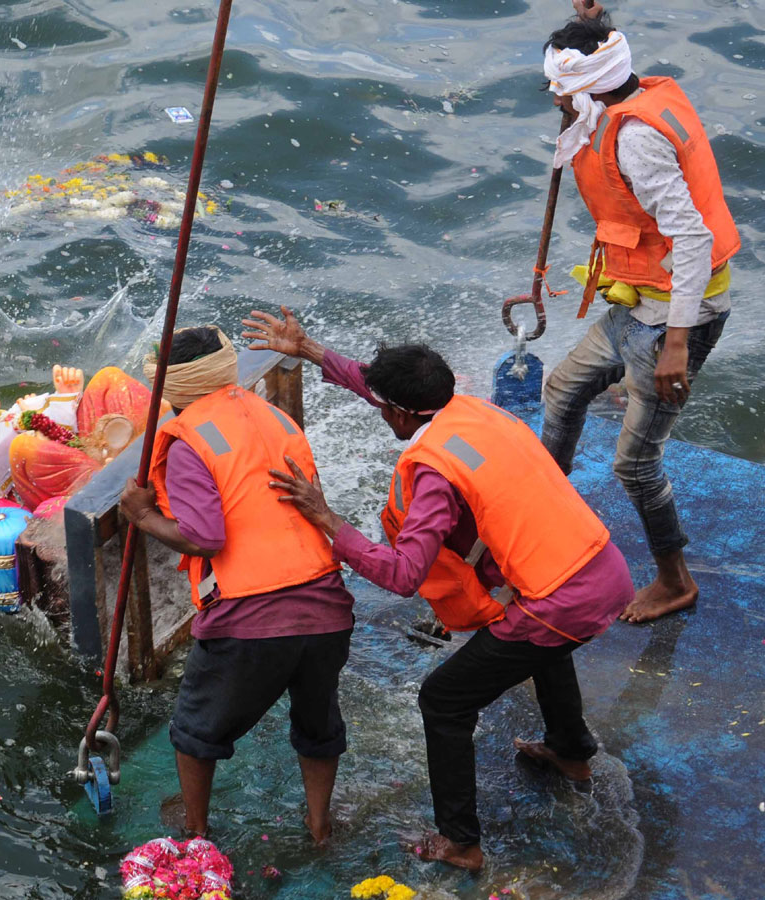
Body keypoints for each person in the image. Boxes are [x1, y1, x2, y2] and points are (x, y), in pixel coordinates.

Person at [243, 307, 633, 872]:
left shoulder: (433, 472)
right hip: (603, 569)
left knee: (443, 700)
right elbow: (382, 391)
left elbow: (403, 576)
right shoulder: (471, 410)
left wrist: (328, 520)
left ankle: (461, 842)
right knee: (538, 642)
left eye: (386, 408)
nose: (381, 411)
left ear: (402, 414)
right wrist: (311, 351)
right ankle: (570, 754)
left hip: (559, 601)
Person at [539, 0, 739, 623]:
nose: (553, 97)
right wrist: (597, 17)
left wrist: (676, 344)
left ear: (587, 91)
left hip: (676, 312)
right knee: (563, 390)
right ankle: (546, 518)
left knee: (635, 462)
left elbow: (694, 239)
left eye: (559, 89)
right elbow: (602, 50)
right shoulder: (630, 89)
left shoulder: (638, 140)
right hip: (637, 299)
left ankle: (675, 580)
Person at [118, 325, 355, 843]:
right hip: (327, 605)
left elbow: (205, 537)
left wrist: (143, 516)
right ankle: (320, 826)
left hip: (253, 615)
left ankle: (195, 829)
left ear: (173, 389)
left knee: (194, 730)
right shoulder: (274, 417)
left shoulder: (189, 440)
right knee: (318, 725)